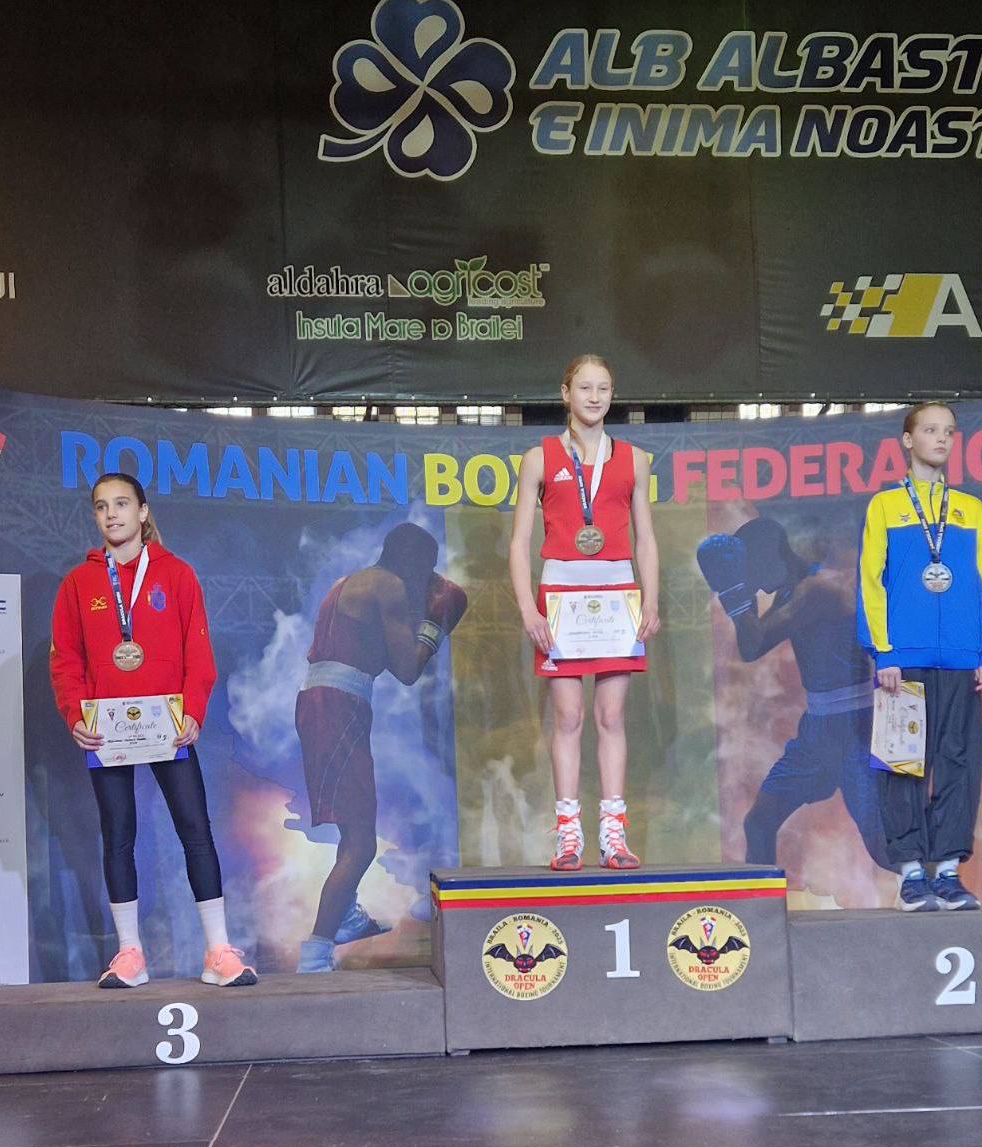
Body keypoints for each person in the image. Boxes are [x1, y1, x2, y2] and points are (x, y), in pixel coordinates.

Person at [50, 472, 257, 987]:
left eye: (122, 504)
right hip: (107, 731)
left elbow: (198, 653)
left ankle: (218, 951)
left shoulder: (177, 574)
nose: (111, 514)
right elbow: (66, 660)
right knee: (118, 835)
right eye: (102, 506)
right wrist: (76, 716)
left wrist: (194, 712)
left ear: (143, 512)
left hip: (169, 726)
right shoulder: (78, 584)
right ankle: (130, 954)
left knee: (196, 831)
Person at [509, 354, 661, 871]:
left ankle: (613, 834)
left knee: (611, 716)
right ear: (566, 393)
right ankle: (568, 834)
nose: (595, 397)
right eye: (585, 388)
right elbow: (519, 542)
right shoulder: (539, 457)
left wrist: (651, 598)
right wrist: (528, 608)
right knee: (568, 716)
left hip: (617, 594)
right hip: (561, 597)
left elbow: (645, 537)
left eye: (604, 388)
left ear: (612, 395)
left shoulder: (635, 459)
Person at [295, 522, 467, 973]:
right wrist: (434, 624)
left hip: (327, 704)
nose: (425, 583)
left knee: (354, 828)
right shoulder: (388, 586)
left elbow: (375, 656)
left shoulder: (349, 582)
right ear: (414, 563)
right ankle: (315, 952)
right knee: (360, 844)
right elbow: (408, 671)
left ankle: (346, 917)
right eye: (426, 572)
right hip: (337, 708)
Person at [857, 403, 982, 911]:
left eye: (949, 432)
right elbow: (870, 581)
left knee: (959, 762)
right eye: (930, 430)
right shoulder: (884, 507)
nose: (941, 439)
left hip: (962, 658)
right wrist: (884, 651)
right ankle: (911, 872)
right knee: (903, 762)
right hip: (904, 659)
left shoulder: (971, 509)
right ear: (907, 439)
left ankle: (947, 870)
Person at [698, 516, 889, 871]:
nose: (755, 584)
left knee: (883, 847)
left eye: (753, 572)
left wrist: (734, 595)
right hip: (817, 731)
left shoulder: (815, 590)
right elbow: (751, 648)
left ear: (773, 556)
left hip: (856, 727)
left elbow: (755, 640)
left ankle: (934, 889)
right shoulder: (790, 592)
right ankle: (762, 903)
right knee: (758, 824)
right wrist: (739, 598)